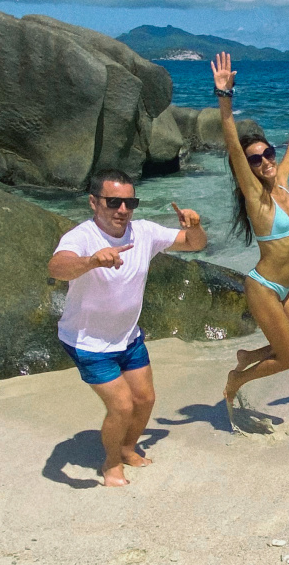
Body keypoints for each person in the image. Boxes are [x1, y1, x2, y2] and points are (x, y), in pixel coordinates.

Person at [46, 169, 207, 486]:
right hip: (88, 342)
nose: (122, 210)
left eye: (130, 203)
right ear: (94, 202)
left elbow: (194, 244)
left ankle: (127, 448)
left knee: (145, 400)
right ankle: (110, 464)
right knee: (122, 406)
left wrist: (195, 227)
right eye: (113, 202)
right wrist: (92, 261)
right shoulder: (81, 237)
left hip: (128, 337)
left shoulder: (144, 232)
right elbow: (57, 268)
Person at [214, 52, 289, 425]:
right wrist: (225, 96)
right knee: (287, 359)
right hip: (265, 287)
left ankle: (248, 356)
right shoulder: (255, 198)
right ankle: (236, 381)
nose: (265, 161)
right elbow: (231, 143)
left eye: (267, 153)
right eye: (256, 159)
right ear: (249, 168)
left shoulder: (282, 180)